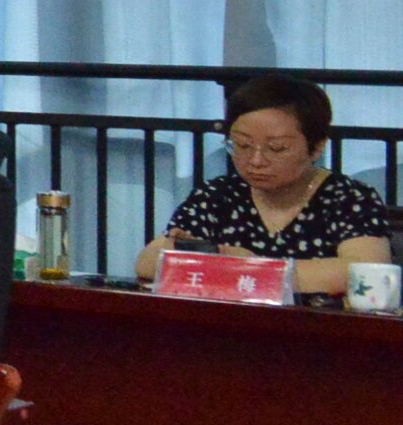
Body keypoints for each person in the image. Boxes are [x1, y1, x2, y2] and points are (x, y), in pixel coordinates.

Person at [139, 71, 396, 298]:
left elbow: (366, 272)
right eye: (242, 145)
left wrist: (254, 268)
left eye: (277, 148)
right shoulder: (218, 195)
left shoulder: (349, 198)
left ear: (317, 147)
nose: (256, 160)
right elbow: (148, 263)